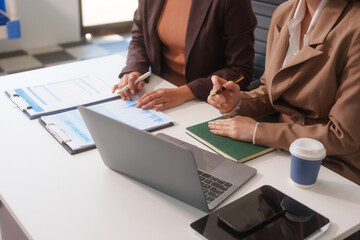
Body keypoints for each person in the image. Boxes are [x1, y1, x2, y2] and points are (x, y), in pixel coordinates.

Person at [207, 0, 360, 185]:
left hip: (331, 165)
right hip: (279, 151)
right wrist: (237, 102)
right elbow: (272, 89)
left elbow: (343, 136)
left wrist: (258, 132)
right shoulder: (284, 12)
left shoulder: (355, 26)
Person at [112, 0, 256, 111]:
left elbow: (240, 71)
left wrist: (185, 92)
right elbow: (141, 37)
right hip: (159, 90)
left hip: (206, 101)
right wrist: (134, 69)